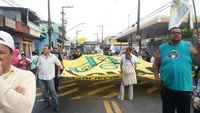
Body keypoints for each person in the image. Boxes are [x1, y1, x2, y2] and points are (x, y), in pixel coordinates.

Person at [153, 27, 200, 113]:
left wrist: (199, 48)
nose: (176, 34)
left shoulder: (188, 45)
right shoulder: (162, 48)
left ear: (181, 35)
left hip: (185, 88)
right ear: (169, 35)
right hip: (167, 87)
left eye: (179, 33)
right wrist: (156, 78)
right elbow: (156, 64)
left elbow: (198, 62)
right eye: (174, 32)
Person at [0, 31, 36, 113]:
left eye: (0, 52)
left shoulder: (27, 76)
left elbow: (24, 110)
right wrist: (12, 97)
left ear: (12, 54)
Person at [37, 45, 63, 112]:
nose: (44, 50)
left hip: (50, 78)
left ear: (49, 50)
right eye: (43, 49)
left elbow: (60, 65)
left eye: (45, 49)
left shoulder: (53, 57)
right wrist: (36, 76)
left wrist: (58, 73)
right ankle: (47, 103)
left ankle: (56, 106)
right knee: (44, 92)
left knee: (53, 92)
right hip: (41, 78)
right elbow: (38, 66)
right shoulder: (40, 57)